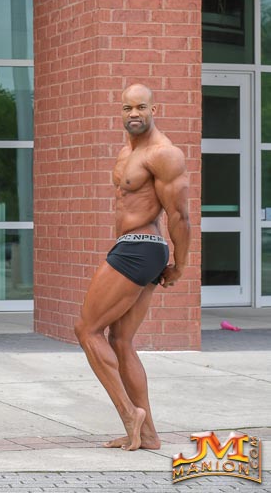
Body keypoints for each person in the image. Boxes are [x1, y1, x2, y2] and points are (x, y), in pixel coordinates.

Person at [74, 83, 190, 452]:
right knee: (120, 340)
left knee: (86, 329)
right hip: (137, 247)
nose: (134, 114)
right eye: (127, 108)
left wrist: (180, 264)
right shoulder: (129, 151)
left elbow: (180, 215)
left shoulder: (164, 154)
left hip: (140, 248)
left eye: (141, 107)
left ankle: (129, 414)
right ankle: (149, 434)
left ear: (155, 109)